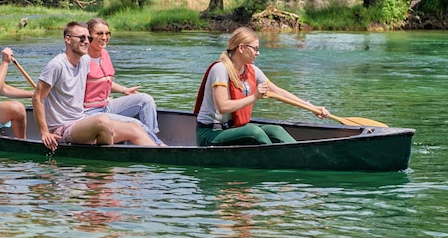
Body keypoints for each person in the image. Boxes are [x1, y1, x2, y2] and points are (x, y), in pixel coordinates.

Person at [194, 26, 330, 146]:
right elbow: (223, 107)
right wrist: (254, 97)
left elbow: (279, 92)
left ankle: (301, 154)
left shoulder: (252, 70)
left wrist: (312, 107)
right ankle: (280, 157)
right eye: (255, 49)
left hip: (231, 129)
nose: (258, 53)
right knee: (253, 131)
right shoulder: (220, 69)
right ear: (241, 48)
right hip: (210, 133)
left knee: (275, 130)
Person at [32, 21, 158, 151]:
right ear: (68, 39)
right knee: (102, 121)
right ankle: (107, 163)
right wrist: (45, 133)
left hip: (82, 120)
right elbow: (37, 98)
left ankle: (158, 156)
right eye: (82, 38)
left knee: (134, 127)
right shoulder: (56, 65)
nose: (87, 41)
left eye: (89, 38)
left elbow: (98, 83)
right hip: (63, 128)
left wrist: (122, 91)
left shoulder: (85, 60)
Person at [84, 18, 164, 146]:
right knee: (135, 124)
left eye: (107, 33)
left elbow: (104, 82)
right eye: (99, 33)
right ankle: (157, 145)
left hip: (106, 106)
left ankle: (151, 139)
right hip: (89, 113)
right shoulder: (81, 60)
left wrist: (124, 90)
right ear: (89, 36)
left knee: (145, 100)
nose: (104, 37)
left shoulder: (104, 54)